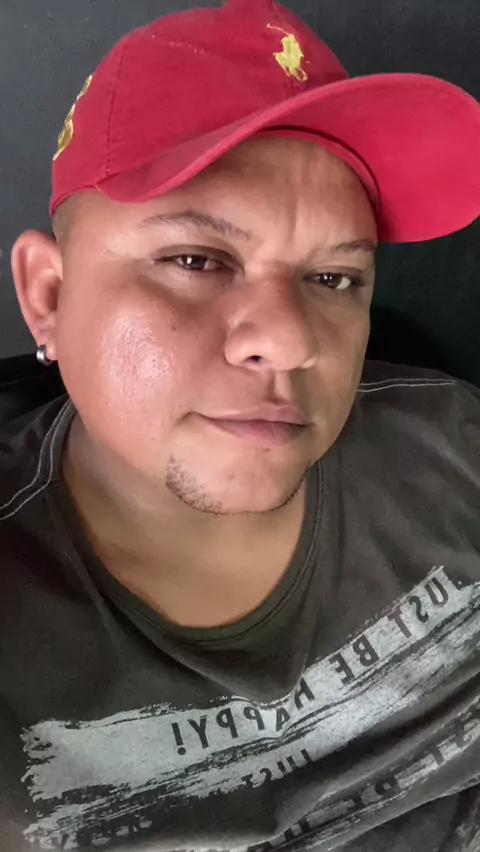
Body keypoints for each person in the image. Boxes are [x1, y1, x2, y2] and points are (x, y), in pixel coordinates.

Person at [1, 0, 479, 849]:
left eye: (334, 279)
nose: (292, 341)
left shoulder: (455, 444)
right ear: (49, 295)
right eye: (196, 260)